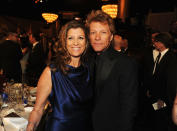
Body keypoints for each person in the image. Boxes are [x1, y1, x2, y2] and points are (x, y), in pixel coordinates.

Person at [26, 20, 93, 131]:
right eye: (70, 38)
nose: (75, 42)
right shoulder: (52, 72)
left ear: (86, 42)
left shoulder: (88, 70)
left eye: (80, 38)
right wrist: (30, 126)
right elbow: (38, 109)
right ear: (64, 42)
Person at [85, 10, 138, 131]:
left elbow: (129, 108)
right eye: (93, 32)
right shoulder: (86, 60)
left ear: (111, 37)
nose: (97, 37)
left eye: (103, 32)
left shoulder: (126, 63)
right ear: (88, 36)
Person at [142, 32, 177, 131]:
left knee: (161, 120)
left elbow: (170, 82)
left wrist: (165, 101)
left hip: (162, 98)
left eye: (156, 42)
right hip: (156, 96)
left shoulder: (171, 58)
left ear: (162, 43)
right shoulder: (161, 55)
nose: (154, 44)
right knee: (155, 119)